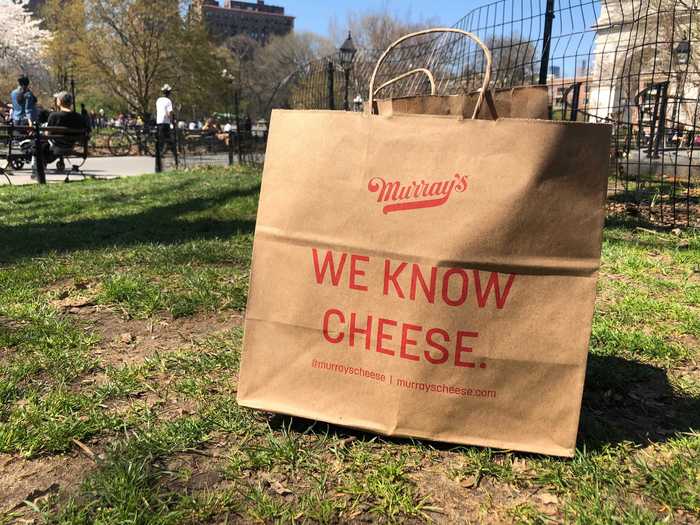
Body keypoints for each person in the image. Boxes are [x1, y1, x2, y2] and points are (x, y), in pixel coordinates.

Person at [31, 91, 86, 177]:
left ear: (59, 101)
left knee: (35, 143)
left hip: (56, 147)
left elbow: (47, 133)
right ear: (71, 102)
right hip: (70, 145)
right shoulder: (78, 116)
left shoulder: (54, 116)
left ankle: (37, 171)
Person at [156, 84, 178, 165]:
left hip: (159, 121)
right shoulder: (168, 101)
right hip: (165, 122)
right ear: (169, 93)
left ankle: (161, 152)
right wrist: (173, 120)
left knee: (161, 138)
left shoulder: (158, 100)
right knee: (168, 138)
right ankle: (174, 154)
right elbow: (169, 112)